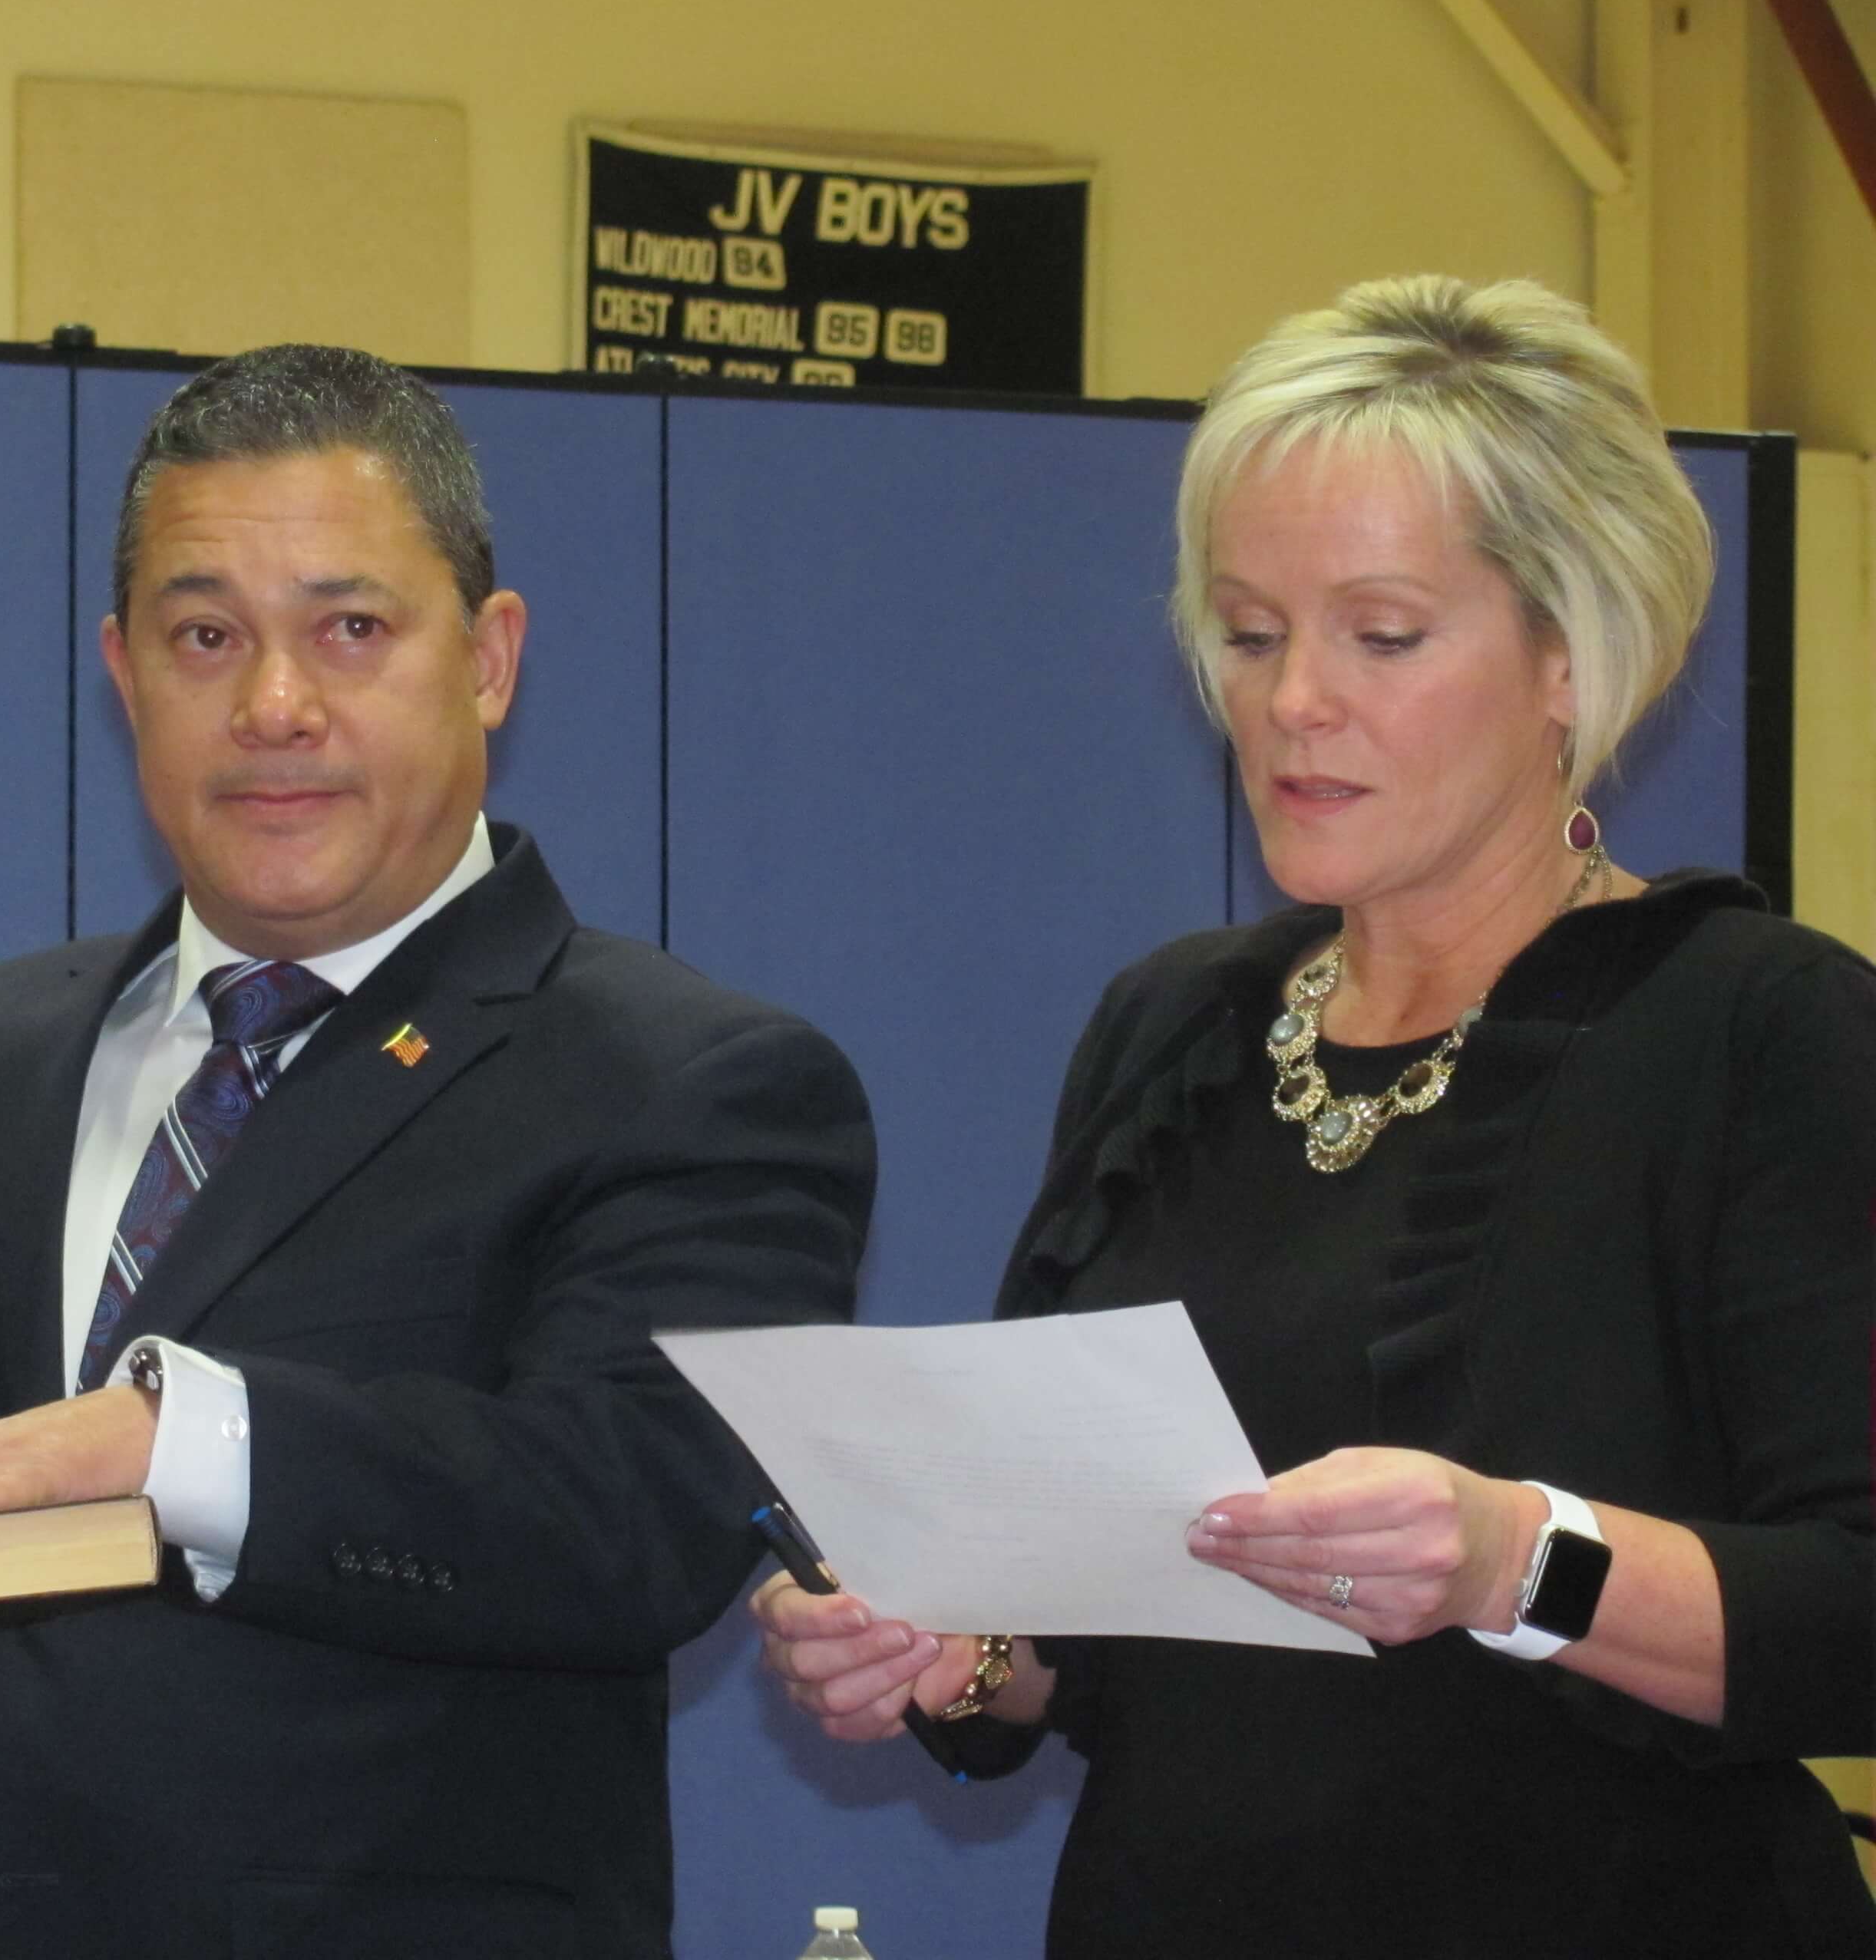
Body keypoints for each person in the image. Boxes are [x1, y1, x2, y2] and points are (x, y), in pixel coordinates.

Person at [0, 344, 871, 1956]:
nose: (273, 705)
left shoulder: (689, 1082)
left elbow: (634, 1518)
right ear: (122, 671)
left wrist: (170, 1442)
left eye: (352, 629)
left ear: (490, 657)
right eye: (205, 636)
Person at [751, 275, 1876, 1956]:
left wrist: (1516, 1558)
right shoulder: (1177, 1025)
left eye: (1384, 634)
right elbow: (1102, 1625)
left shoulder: (1758, 1027)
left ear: (1570, 653)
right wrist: (956, 1646)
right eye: (1251, 632)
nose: (1291, 705)